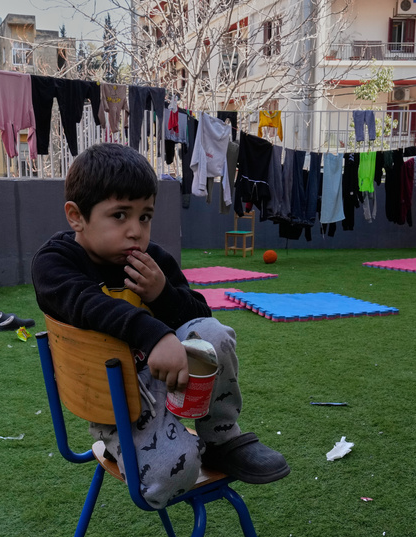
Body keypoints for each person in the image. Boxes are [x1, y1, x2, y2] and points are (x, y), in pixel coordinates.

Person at [32, 143, 289, 509]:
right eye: (120, 215)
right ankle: (141, 444)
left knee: (212, 335)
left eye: (145, 217)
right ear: (77, 217)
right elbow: (88, 305)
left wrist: (162, 294)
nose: (135, 231)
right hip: (114, 402)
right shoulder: (55, 263)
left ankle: (220, 437)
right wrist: (154, 335)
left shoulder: (152, 260)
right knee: (173, 475)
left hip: (168, 378)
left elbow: (200, 315)